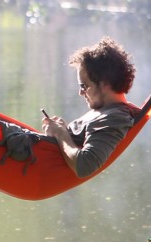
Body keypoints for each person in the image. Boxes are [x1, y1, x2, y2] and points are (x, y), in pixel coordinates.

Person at [42, 37, 140, 178]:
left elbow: (85, 165)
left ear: (104, 84)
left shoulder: (114, 118)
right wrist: (62, 129)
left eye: (84, 86)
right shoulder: (104, 110)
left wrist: (60, 134)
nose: (80, 92)